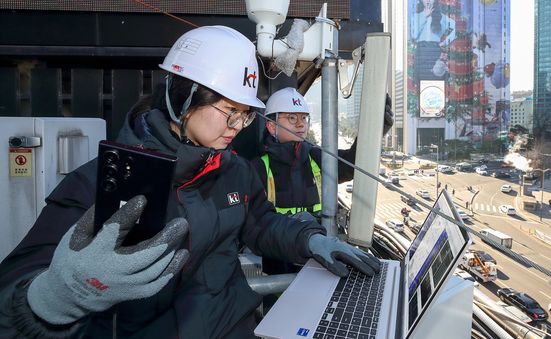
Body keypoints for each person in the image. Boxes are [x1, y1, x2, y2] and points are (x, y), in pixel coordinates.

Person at [0, 26, 380, 339]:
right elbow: (10, 296)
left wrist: (309, 239)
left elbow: (261, 223)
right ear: (182, 95)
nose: (236, 127)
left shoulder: (232, 170)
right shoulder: (96, 187)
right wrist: (52, 299)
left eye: (245, 115)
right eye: (230, 111)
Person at [250, 87, 393, 276]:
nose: (300, 124)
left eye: (304, 118)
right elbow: (256, 226)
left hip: (322, 264)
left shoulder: (315, 156)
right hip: (279, 272)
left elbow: (350, 165)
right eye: (292, 118)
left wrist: (374, 130)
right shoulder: (257, 168)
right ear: (271, 125)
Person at [410, 0, 456, 82]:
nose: (428, 0)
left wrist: (444, 42)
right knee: (421, 82)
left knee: (436, 80)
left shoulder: (441, 17)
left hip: (434, 51)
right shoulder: (416, 16)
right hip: (421, 52)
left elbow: (457, 28)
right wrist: (425, 17)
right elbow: (414, 35)